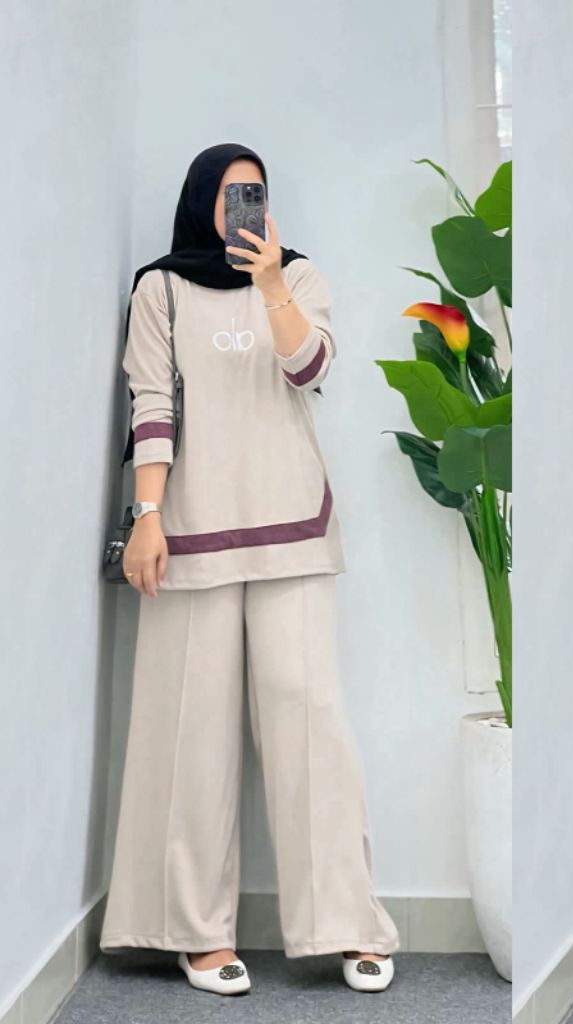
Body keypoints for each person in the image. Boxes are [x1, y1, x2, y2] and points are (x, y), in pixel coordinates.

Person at [99, 142, 399, 996]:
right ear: (202, 200)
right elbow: (152, 407)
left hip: (292, 528)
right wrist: (146, 517)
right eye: (230, 194)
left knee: (312, 728)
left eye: (256, 194)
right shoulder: (160, 289)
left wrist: (270, 285)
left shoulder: (297, 276)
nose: (244, 208)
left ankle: (346, 922)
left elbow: (311, 369)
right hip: (188, 534)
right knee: (189, 734)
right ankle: (193, 931)